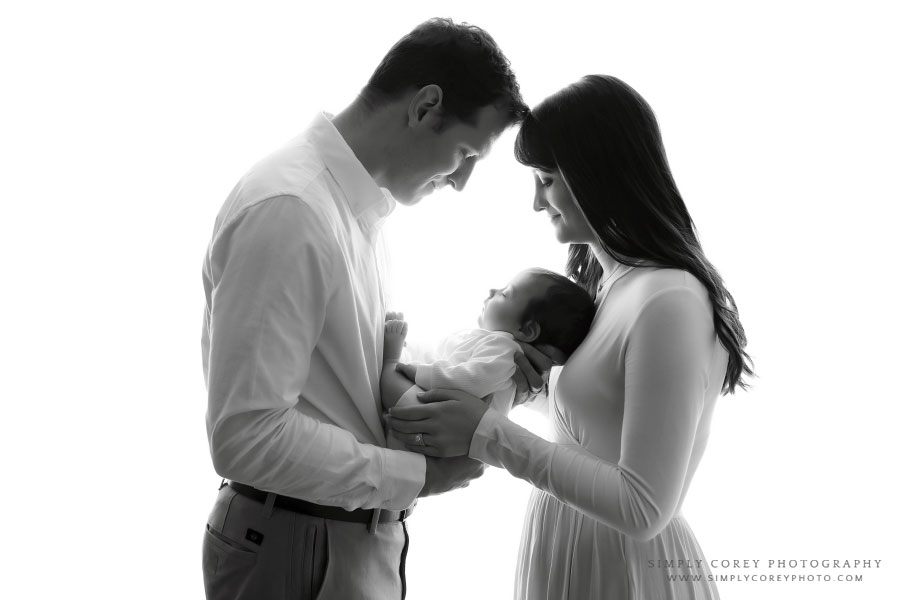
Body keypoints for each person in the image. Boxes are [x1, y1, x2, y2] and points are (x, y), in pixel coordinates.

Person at [200, 18, 540, 600]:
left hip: (341, 538)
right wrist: (420, 475)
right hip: (298, 541)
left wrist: (489, 376)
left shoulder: (357, 212)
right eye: (466, 153)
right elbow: (247, 437)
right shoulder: (292, 210)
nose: (461, 182)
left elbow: (344, 384)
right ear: (425, 107)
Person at [388, 75, 754, 600]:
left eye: (546, 179)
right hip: (574, 547)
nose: (538, 203)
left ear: (597, 171)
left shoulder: (668, 299)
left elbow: (644, 508)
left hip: (625, 568)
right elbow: (599, 428)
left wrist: (486, 433)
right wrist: (527, 389)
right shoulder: (609, 286)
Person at [380, 268, 594, 447]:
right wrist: (409, 350)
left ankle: (390, 361)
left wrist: (416, 370)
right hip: (439, 425)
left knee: (392, 378)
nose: (493, 291)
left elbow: (470, 380)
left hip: (443, 426)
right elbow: (439, 356)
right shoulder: (491, 343)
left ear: (526, 330)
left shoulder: (504, 349)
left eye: (505, 293)